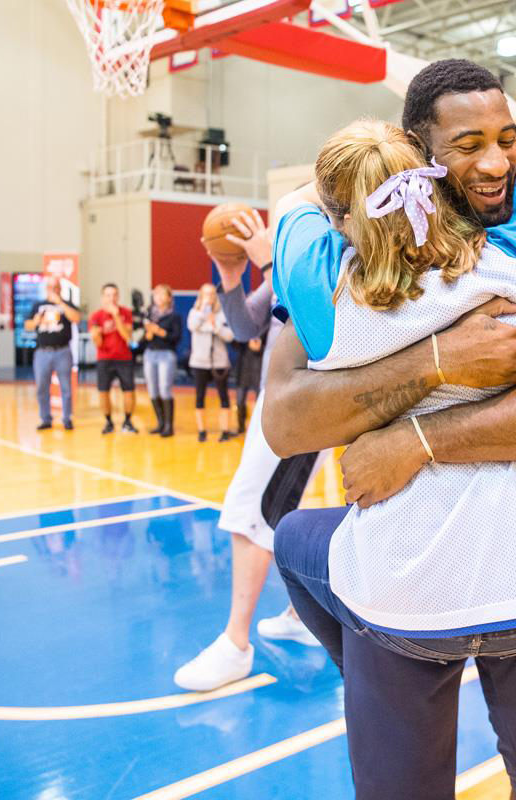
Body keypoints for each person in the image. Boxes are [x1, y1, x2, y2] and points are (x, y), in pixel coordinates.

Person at [263, 60, 516, 800]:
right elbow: (284, 420)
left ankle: (376, 656)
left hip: (398, 597)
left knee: (296, 540)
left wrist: (414, 439)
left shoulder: (328, 279)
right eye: (469, 145)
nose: (497, 163)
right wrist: (440, 358)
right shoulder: (513, 273)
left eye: (507, 138)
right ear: (416, 152)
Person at [173, 211, 322, 694]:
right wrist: (232, 277)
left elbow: (321, 321)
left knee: (251, 513)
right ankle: (302, 613)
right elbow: (242, 328)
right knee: (285, 516)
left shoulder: (325, 257)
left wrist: (270, 265)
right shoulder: (287, 263)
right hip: (277, 407)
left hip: (302, 408)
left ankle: (235, 644)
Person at [24, 275, 80, 431]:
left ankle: (67, 418)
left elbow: (76, 318)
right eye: (50, 287)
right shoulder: (38, 305)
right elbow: (27, 325)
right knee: (42, 386)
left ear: (60, 289)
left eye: (56, 287)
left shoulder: (67, 304)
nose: (53, 290)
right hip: (43, 352)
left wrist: (60, 303)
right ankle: (45, 418)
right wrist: (35, 321)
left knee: (66, 387)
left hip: (62, 351)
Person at [187, 283, 235, 443]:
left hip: (219, 362)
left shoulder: (222, 314)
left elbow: (230, 336)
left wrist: (216, 326)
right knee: (199, 397)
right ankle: (202, 431)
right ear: (200, 296)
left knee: (224, 397)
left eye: (212, 294)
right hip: (200, 362)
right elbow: (192, 326)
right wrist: (203, 313)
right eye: (206, 294)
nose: (210, 297)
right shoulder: (194, 313)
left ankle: (225, 431)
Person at [88, 283, 139, 434]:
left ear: (118, 296)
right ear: (103, 297)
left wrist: (116, 316)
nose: (112, 298)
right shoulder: (96, 316)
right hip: (104, 358)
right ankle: (109, 422)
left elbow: (127, 336)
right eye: (108, 295)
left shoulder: (126, 313)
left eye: (114, 294)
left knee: (129, 391)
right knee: (103, 391)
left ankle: (128, 422)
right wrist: (96, 335)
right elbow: (98, 343)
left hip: (124, 357)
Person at [142, 284, 181, 437]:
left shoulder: (174, 316)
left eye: (162, 294)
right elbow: (145, 339)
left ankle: (169, 426)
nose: (158, 297)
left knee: (165, 388)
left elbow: (176, 337)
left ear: (169, 298)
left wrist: (159, 331)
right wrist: (148, 335)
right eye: (156, 294)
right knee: (152, 388)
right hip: (150, 353)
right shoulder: (150, 315)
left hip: (166, 354)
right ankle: (160, 422)